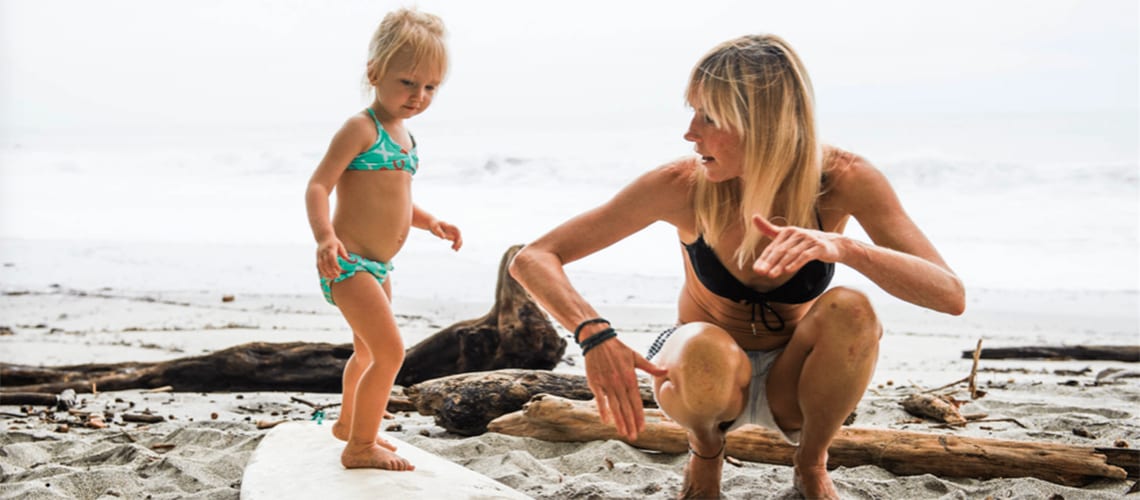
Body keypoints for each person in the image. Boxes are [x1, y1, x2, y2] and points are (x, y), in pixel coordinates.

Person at [509, 34, 964, 499]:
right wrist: (594, 334)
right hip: (703, 383)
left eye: (708, 116)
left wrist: (845, 248)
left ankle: (811, 462)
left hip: (795, 383)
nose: (690, 133)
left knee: (853, 308)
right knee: (708, 346)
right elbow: (534, 258)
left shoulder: (843, 179)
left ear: (761, 123)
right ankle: (706, 453)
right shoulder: (681, 185)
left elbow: (949, 295)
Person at [304, 8, 461, 471]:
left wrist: (429, 221)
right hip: (348, 264)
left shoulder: (406, 137)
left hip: (378, 267)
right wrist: (324, 238)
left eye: (430, 87)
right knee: (391, 352)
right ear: (375, 73)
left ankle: (348, 424)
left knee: (368, 351)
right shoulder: (361, 128)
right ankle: (360, 447)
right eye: (408, 82)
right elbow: (318, 185)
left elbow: (395, 200)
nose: (419, 96)